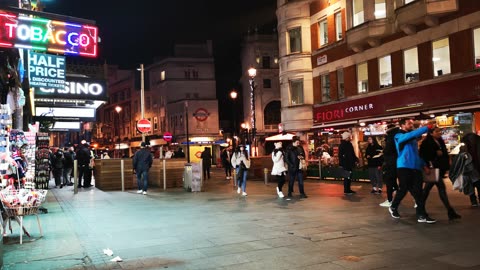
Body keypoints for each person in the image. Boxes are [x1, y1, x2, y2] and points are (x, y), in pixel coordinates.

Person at [388, 118, 436, 223]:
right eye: (409, 123)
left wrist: (423, 165)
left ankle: (421, 215)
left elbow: (415, 154)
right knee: (403, 189)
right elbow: (410, 135)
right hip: (404, 167)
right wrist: (426, 128)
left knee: (419, 192)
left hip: (415, 167)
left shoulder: (412, 139)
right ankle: (393, 207)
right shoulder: (398, 136)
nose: (411, 125)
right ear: (402, 125)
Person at [419, 127, 461, 220]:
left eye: (439, 131)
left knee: (430, 191)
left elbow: (443, 154)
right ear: (431, 133)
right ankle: (421, 210)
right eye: (437, 131)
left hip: (438, 169)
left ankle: (450, 211)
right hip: (432, 169)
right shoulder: (427, 143)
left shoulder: (440, 141)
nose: (439, 133)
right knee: (434, 190)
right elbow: (423, 155)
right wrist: (435, 154)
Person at [379, 124, 400, 207]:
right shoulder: (398, 136)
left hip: (391, 163)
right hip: (398, 162)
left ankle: (390, 200)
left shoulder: (390, 137)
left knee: (389, 181)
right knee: (404, 183)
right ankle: (417, 200)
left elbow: (388, 150)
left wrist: (383, 152)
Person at [460, 133, 480, 206]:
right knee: (477, 184)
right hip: (473, 168)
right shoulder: (477, 142)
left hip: (469, 168)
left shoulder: (464, 146)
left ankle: (473, 201)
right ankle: (474, 201)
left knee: (471, 184)